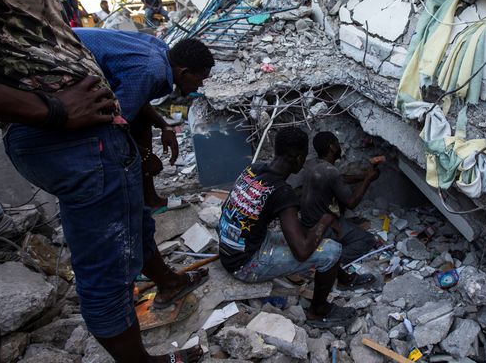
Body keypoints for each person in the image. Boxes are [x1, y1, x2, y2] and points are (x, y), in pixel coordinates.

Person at [0, 0, 201, 362]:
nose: (195, 89)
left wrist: (158, 127)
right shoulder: (152, 66)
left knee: (134, 225)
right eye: (196, 81)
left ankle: (166, 281)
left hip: (85, 139)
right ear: (184, 70)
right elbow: (125, 113)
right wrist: (52, 110)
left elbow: (132, 103)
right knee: (108, 268)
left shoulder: (153, 53)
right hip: (72, 139)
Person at [217, 128, 357, 327]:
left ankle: (341, 277)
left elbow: (225, 208)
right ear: (299, 158)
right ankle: (319, 311)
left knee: (307, 235)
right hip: (244, 265)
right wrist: (325, 220)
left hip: (228, 250)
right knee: (331, 250)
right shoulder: (282, 192)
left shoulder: (254, 169)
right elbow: (301, 252)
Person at [74, 28, 214, 211]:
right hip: (62, 60)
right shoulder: (151, 71)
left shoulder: (162, 52)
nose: (200, 85)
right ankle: (123, 206)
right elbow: (114, 124)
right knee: (115, 149)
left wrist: (165, 127)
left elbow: (136, 99)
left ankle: (150, 199)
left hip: (77, 50)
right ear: (183, 72)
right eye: (200, 79)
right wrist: (145, 156)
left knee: (141, 124)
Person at [300, 131, 380, 289]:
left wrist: (363, 176)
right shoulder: (331, 172)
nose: (340, 146)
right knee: (367, 240)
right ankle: (327, 260)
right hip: (322, 227)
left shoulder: (313, 164)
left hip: (307, 223)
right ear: (331, 147)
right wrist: (368, 180)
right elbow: (351, 202)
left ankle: (324, 255)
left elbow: (341, 179)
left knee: (347, 224)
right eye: (337, 143)